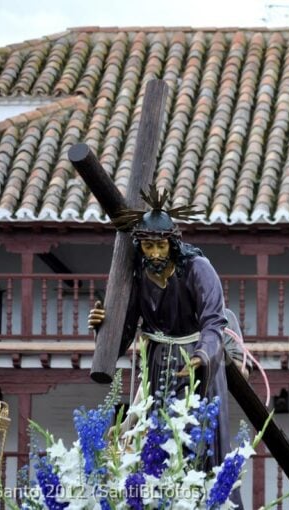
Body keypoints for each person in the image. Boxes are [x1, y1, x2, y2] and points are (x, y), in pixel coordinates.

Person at [88, 186, 230, 471]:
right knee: (156, 437)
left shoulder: (197, 268)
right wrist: (103, 327)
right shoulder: (138, 276)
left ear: (172, 242)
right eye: (148, 246)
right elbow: (125, 333)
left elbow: (214, 320)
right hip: (155, 363)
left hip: (193, 363)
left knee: (192, 439)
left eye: (161, 246)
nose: (154, 254)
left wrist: (202, 354)